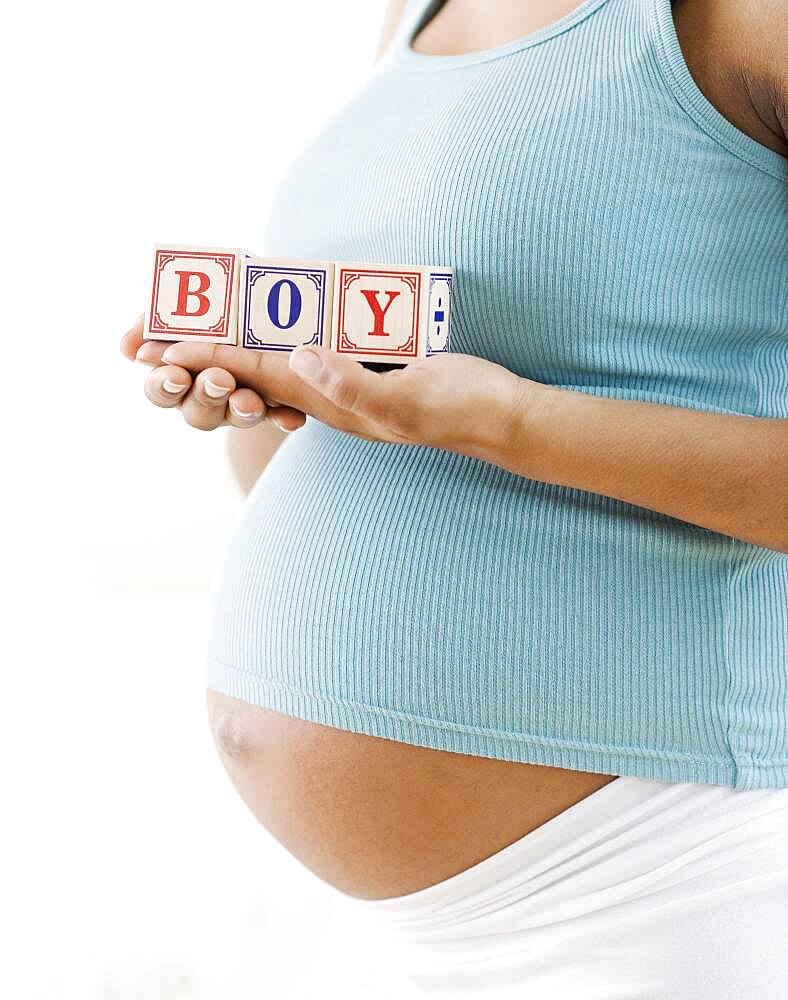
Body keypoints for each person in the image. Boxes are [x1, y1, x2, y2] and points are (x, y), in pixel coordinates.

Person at [120, 1, 788, 995]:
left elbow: (476, 422)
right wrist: (271, 398)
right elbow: (328, 481)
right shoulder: (410, 13)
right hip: (389, 932)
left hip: (647, 881)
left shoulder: (740, 23)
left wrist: (506, 420)